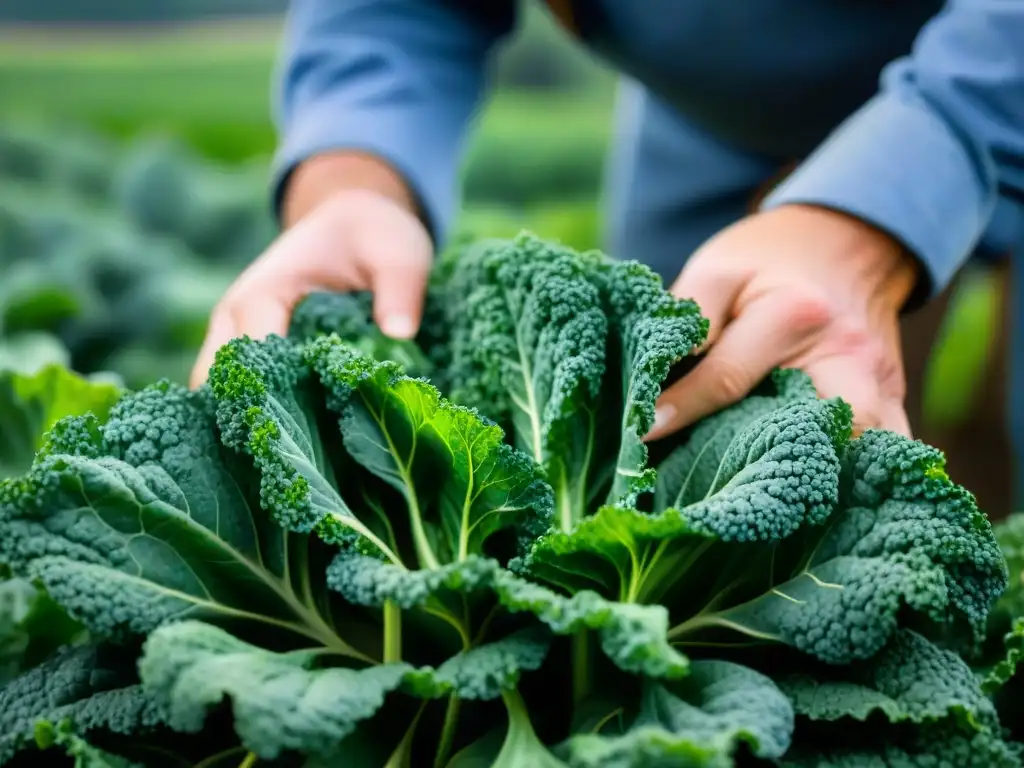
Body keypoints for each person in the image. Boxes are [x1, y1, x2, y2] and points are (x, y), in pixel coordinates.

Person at [190, 0, 1024, 449]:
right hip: (706, 120)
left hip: (995, 76)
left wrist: (888, 196)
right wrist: (353, 179)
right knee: (673, 457)